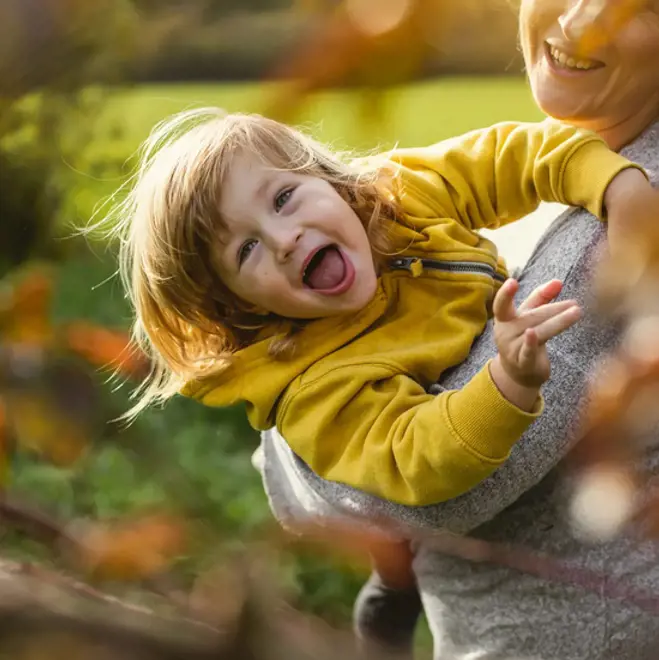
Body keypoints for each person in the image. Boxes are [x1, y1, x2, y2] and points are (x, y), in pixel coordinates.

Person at [257, 0, 659, 658]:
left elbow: (440, 498)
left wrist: (285, 434)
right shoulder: (545, 175)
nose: (580, 23)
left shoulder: (625, 221)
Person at [102, 105, 651, 507]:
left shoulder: (399, 199)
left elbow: (517, 155)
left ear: (329, 180)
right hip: (428, 510)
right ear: (236, 305)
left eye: (284, 197)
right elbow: (413, 456)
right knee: (394, 552)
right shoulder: (316, 389)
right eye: (246, 250)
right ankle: (387, 589)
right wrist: (506, 380)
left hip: (484, 307)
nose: (284, 238)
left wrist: (618, 187)